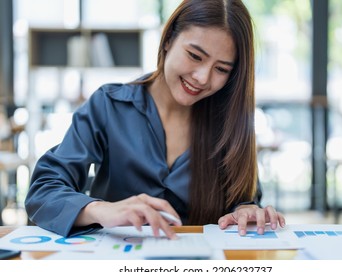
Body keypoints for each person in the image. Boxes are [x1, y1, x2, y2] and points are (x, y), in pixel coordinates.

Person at [25, 0, 285, 239]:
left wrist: (248, 212)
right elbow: (44, 191)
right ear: (168, 40)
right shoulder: (109, 105)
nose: (203, 78)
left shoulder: (230, 123)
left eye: (221, 69)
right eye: (195, 56)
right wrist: (102, 210)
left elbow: (244, 200)